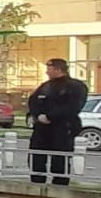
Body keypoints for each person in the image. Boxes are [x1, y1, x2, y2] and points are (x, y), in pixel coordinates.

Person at [27, 58, 87, 187]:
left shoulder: (76, 87)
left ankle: (59, 188)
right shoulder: (45, 86)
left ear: (58, 70)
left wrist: (50, 116)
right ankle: (37, 185)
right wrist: (38, 115)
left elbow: (73, 107)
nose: (47, 73)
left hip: (63, 128)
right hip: (42, 130)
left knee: (60, 161)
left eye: (49, 69)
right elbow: (33, 101)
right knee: (36, 158)